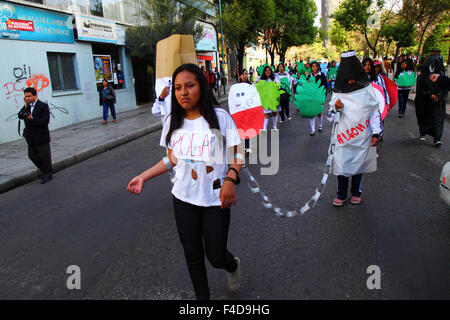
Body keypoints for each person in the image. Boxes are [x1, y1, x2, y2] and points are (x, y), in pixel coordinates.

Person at [127, 63, 243, 300]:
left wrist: (231, 179)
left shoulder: (220, 117)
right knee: (192, 254)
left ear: (201, 86)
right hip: (183, 198)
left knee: (216, 255)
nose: (183, 92)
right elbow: (172, 159)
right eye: (178, 87)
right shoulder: (172, 120)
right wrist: (143, 177)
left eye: (189, 85)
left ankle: (232, 265)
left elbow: (238, 153)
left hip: (215, 199)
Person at [327, 51, 382, 206]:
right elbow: (330, 118)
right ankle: (341, 194)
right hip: (343, 136)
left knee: (359, 164)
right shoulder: (338, 93)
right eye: (347, 78)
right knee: (341, 165)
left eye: (353, 77)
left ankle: (356, 192)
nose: (351, 81)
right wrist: (336, 109)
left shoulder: (367, 91)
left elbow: (374, 113)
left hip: (362, 135)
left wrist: (376, 133)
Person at [18, 87, 53, 184]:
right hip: (30, 137)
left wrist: (33, 119)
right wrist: (25, 105)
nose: (27, 98)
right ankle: (46, 170)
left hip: (41, 136)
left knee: (44, 156)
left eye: (29, 96)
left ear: (35, 96)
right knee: (32, 155)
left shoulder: (43, 106)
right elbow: (20, 115)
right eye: (25, 97)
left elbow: (44, 121)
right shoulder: (27, 106)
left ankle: (47, 174)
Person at [415, 51, 448, 146]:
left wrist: (439, 96)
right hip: (425, 101)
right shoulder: (423, 77)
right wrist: (429, 94)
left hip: (438, 102)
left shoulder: (441, 76)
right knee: (424, 117)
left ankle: (437, 138)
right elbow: (420, 89)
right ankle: (423, 131)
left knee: (437, 119)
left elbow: (445, 88)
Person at [306, 61, 327, 136]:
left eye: (316, 66)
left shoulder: (322, 75)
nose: (314, 68)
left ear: (318, 67)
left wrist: (323, 97)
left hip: (319, 96)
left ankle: (320, 125)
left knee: (319, 113)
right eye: (313, 66)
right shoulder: (309, 76)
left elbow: (324, 86)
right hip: (310, 97)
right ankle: (312, 130)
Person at [258, 65, 279, 130]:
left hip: (273, 99)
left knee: (274, 112)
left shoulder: (274, 78)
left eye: (269, 70)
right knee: (266, 113)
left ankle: (274, 126)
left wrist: (276, 84)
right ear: (264, 72)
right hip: (265, 100)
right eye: (266, 70)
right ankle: (265, 128)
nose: (267, 72)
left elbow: (279, 86)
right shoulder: (260, 79)